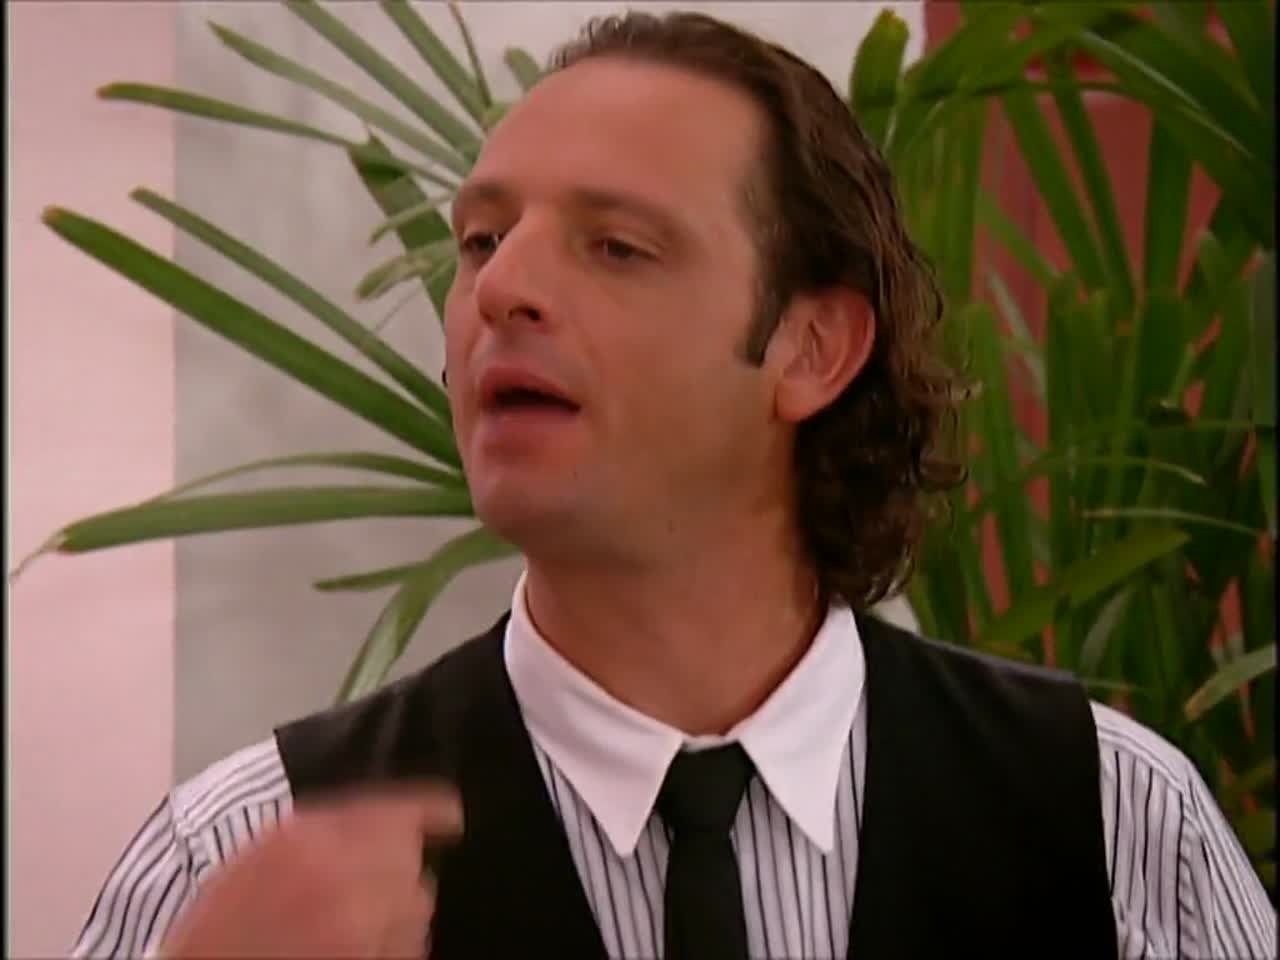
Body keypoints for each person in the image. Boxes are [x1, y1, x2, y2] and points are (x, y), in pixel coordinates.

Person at [72, 10, 1275, 960]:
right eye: (482, 240)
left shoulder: (1116, 826)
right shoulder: (235, 857)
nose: (499, 290)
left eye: (616, 247)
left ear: (810, 349)